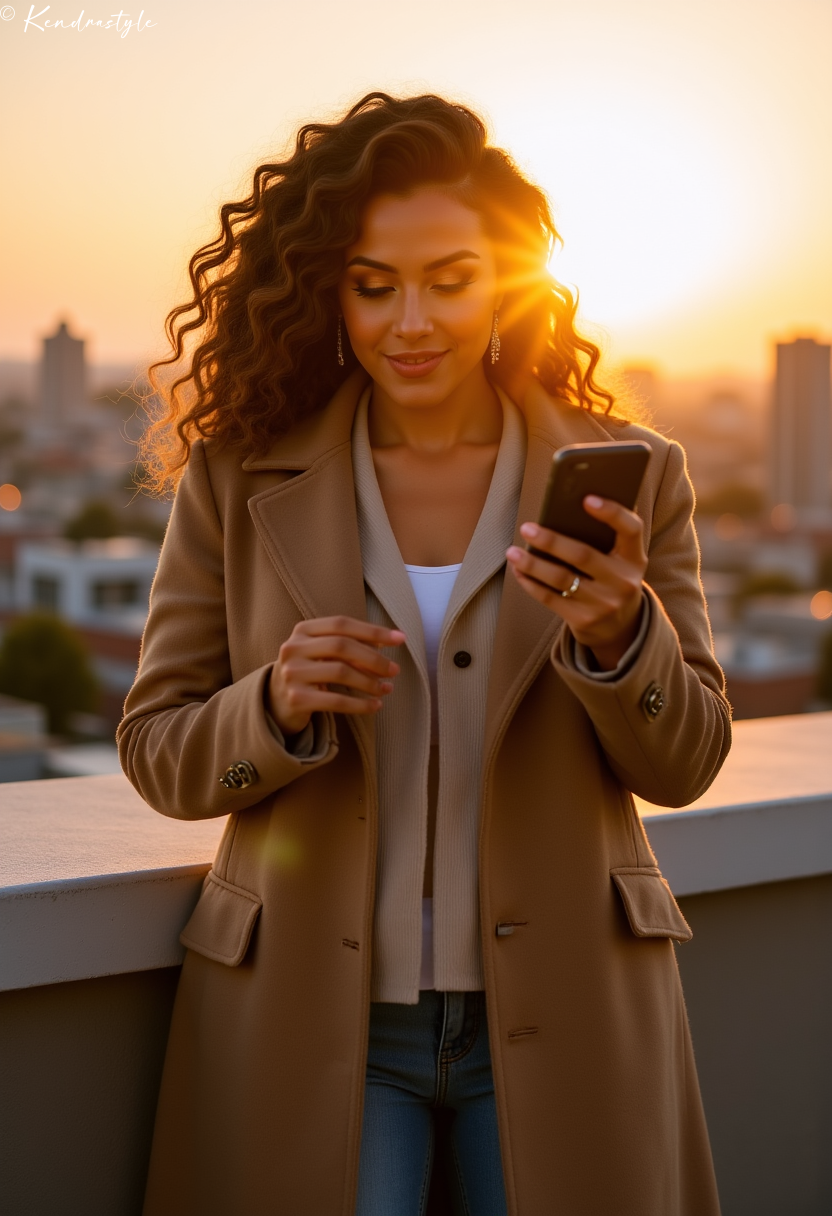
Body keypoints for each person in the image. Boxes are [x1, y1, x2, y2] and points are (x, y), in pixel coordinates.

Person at [119, 92, 731, 1216]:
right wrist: (276, 704)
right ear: (327, 295)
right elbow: (160, 752)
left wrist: (617, 635)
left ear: (505, 281)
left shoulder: (632, 471)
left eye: (449, 280)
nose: (411, 320)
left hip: (569, 1008)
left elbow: (684, 765)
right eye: (372, 284)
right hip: (312, 1015)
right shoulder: (235, 478)